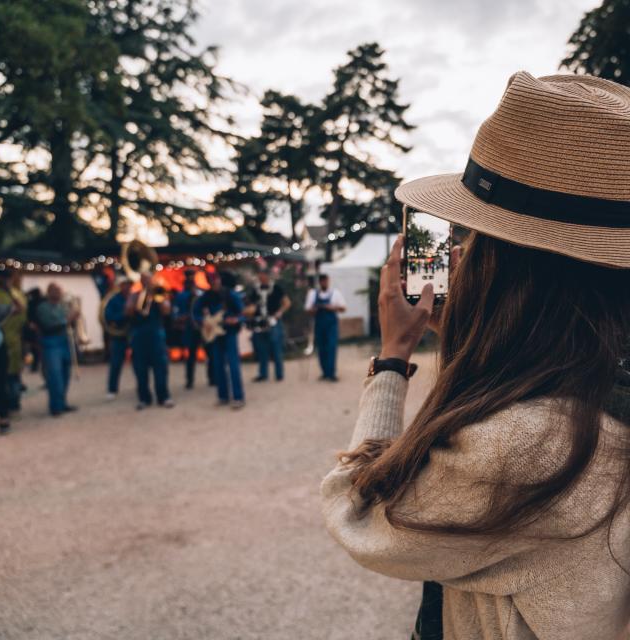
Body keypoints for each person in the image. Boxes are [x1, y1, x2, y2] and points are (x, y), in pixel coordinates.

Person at [321, 72, 630, 640]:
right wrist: (467, 339)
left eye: (479, 236)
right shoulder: (598, 392)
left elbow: (360, 511)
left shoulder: (532, 444)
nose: (461, 249)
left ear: (513, 267)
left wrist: (393, 357)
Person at [125, 272, 174, 410]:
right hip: (139, 335)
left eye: (149, 279)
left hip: (156, 334)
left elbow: (166, 310)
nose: (147, 282)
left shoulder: (159, 293)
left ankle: (163, 396)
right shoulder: (135, 295)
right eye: (144, 280)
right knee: (140, 369)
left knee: (161, 368)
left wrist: (158, 296)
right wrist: (136, 301)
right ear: (141, 281)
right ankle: (144, 398)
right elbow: (128, 311)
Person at [201, 272, 245, 409]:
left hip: (229, 332)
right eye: (211, 281)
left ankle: (238, 397)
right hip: (215, 334)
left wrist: (236, 319)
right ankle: (223, 396)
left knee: (233, 365)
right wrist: (204, 322)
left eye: (216, 280)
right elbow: (195, 313)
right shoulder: (206, 297)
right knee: (218, 365)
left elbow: (243, 313)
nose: (214, 283)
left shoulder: (230, 295)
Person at [36, 283, 79, 417]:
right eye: (54, 290)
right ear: (48, 292)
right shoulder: (43, 308)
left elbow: (70, 323)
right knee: (55, 376)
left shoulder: (63, 305)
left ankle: (62, 403)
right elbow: (49, 325)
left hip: (65, 341)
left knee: (66, 374)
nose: (58, 293)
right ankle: (55, 406)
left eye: (59, 290)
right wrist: (68, 319)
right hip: (51, 343)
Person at [0, 269, 26, 411]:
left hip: (6, 342)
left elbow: (20, 310)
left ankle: (9, 406)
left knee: (8, 376)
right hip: (3, 341)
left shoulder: (9, 295)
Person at [246, 269, 291, 382]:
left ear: (267, 276)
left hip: (273, 321)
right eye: (259, 275)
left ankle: (279, 374)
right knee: (261, 349)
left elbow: (287, 302)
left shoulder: (276, 288)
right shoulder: (255, 290)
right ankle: (263, 373)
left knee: (276, 349)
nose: (261, 277)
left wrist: (279, 313)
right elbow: (251, 306)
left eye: (262, 275)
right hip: (259, 321)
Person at [305, 274, 346, 381]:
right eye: (322, 281)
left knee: (331, 347)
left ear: (328, 281)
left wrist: (331, 308)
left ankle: (331, 373)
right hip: (319, 325)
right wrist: (314, 309)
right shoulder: (313, 294)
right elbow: (308, 310)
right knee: (321, 349)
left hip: (331, 325)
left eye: (325, 281)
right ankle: (325, 372)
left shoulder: (335, 293)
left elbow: (343, 308)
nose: (324, 283)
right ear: (319, 282)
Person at [172, 269, 204, 389]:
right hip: (189, 328)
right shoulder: (181, 296)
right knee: (191, 355)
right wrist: (180, 317)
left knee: (209, 351)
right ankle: (190, 380)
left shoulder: (200, 294)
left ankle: (212, 378)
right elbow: (175, 312)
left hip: (200, 326)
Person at [103, 276, 132, 399]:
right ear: (120, 286)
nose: (127, 287)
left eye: (128, 285)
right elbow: (109, 317)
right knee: (116, 363)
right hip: (119, 336)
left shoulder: (135, 297)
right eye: (124, 284)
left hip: (133, 333)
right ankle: (112, 389)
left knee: (139, 363)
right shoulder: (114, 300)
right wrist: (124, 315)